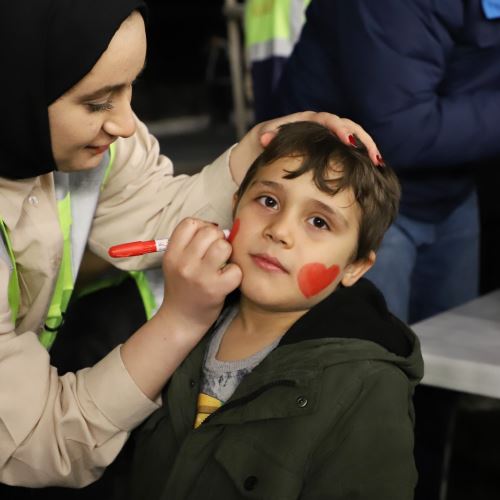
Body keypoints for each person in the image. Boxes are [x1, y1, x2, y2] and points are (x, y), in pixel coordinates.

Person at [0, 0, 383, 489]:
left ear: (360, 263)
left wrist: (250, 153)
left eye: (130, 87)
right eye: (97, 102)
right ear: (16, 87)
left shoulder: (367, 382)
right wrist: (180, 321)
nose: (124, 123)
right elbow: (39, 439)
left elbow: (151, 210)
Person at [127, 122, 424, 500]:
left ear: (355, 267)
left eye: (319, 222)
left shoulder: (368, 387)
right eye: (268, 201)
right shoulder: (189, 315)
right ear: (234, 207)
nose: (279, 230)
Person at [272, 0, 500, 324]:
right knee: (367, 357)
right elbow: (403, 130)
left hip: (452, 192)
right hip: (354, 195)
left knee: (450, 351)